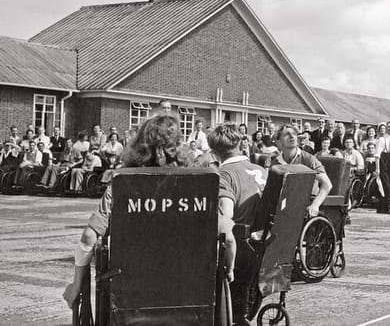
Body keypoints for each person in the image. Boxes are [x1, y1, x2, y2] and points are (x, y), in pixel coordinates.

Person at [63, 114, 183, 309]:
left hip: (132, 283)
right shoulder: (198, 183)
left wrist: (77, 285)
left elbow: (88, 238)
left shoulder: (122, 184)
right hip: (184, 282)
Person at [210, 123, 267, 286]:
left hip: (241, 251)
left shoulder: (223, 175)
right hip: (264, 244)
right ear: (239, 144)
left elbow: (227, 218)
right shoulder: (261, 170)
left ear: (214, 154)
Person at [271, 124, 332, 217]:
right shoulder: (275, 162)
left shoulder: (309, 159)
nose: (292, 136)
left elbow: (327, 184)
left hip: (306, 202)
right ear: (278, 142)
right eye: (287, 134)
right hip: (284, 202)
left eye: (294, 134)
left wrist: (315, 205)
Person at [374, 121, 390, 214]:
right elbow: (377, 155)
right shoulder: (381, 140)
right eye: (388, 127)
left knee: (389, 184)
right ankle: (385, 207)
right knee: (385, 185)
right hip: (383, 160)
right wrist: (377, 169)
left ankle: (381, 208)